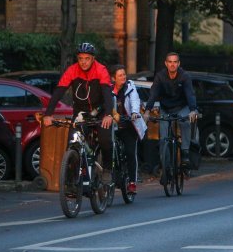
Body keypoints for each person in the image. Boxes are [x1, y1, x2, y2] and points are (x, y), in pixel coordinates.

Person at [42, 43, 114, 184]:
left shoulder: (101, 70)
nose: (83, 62)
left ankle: (107, 168)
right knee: (72, 142)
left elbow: (107, 94)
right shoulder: (72, 70)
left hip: (100, 111)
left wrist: (109, 114)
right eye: (80, 58)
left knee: (105, 139)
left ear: (93, 58)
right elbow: (58, 92)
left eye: (87, 58)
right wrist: (48, 114)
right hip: (81, 112)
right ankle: (71, 181)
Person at [144, 52, 199, 182]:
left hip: (182, 107)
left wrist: (192, 110)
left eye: (175, 62)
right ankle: (166, 169)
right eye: (170, 62)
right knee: (163, 140)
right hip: (166, 108)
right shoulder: (160, 76)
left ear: (178, 64)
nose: (172, 64)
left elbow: (190, 94)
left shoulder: (184, 76)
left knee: (185, 122)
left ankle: (185, 153)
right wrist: (147, 110)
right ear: (166, 63)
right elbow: (153, 93)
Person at [112, 65, 145, 194]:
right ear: (113, 78)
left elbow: (135, 101)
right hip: (114, 127)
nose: (123, 77)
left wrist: (135, 112)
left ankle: (132, 182)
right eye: (120, 75)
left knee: (130, 152)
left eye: (124, 74)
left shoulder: (130, 87)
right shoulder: (109, 90)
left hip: (129, 126)